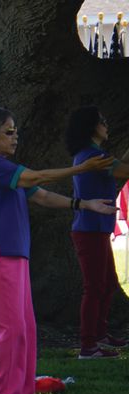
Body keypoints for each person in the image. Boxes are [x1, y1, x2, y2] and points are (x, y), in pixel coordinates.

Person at [0, 107, 116, 394]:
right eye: (8, 132)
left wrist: (82, 203)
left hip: (15, 257)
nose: (15, 136)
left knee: (25, 329)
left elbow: (42, 195)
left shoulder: (7, 169)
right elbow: (37, 176)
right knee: (10, 330)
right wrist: (81, 169)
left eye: (15, 130)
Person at [64, 106, 129, 359]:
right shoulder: (94, 156)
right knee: (94, 287)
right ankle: (88, 345)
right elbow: (124, 170)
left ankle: (100, 334)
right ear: (92, 127)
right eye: (102, 121)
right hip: (89, 230)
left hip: (96, 229)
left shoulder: (93, 154)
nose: (106, 125)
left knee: (109, 283)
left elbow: (121, 166)